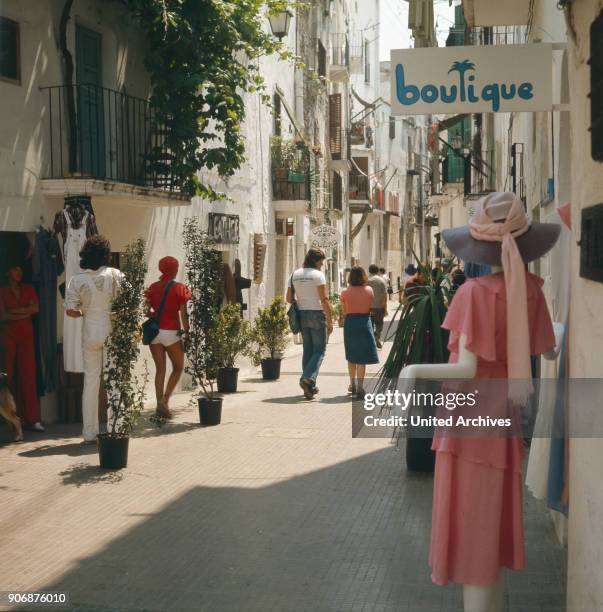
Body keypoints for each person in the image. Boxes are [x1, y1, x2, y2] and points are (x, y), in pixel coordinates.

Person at [65, 235, 123, 443]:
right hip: (111, 329)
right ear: (105, 254)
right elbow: (129, 302)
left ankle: (89, 433)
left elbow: (71, 311)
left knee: (91, 381)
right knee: (113, 379)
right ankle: (116, 426)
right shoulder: (116, 275)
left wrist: (85, 311)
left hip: (90, 330)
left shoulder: (77, 280)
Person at [145, 256, 191, 419]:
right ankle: (164, 401)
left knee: (160, 370)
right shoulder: (180, 288)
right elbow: (184, 315)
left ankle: (159, 406)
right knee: (178, 368)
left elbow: (146, 311)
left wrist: (155, 313)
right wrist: (187, 332)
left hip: (155, 333)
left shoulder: (152, 287)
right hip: (171, 332)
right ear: (175, 269)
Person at [0, 265, 44, 432]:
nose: (18, 272)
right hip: (8, 335)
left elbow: (35, 308)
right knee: (8, 376)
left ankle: (33, 419)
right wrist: (25, 312)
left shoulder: (28, 288)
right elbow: (2, 315)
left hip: (26, 335)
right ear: (7, 272)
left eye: (20, 269)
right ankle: (11, 418)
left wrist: (15, 311)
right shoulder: (2, 291)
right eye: (14, 269)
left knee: (28, 375)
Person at [286, 248, 333, 399]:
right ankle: (307, 378)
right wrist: (330, 320)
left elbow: (288, 298)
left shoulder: (294, 274)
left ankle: (309, 386)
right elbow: (324, 299)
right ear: (315, 261)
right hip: (317, 314)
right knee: (319, 350)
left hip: (302, 315)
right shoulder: (318, 275)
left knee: (308, 349)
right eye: (321, 261)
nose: (322, 265)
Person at [340, 267, 379, 398]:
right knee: (362, 357)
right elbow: (370, 306)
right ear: (363, 276)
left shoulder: (345, 292)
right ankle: (361, 386)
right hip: (364, 322)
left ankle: (352, 385)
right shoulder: (369, 290)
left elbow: (344, 312)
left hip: (350, 323)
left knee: (351, 356)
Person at [366, 264, 388, 348]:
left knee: (370, 324)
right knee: (379, 324)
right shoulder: (381, 281)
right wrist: (385, 308)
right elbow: (385, 296)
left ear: (369, 271)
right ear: (377, 271)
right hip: (379, 307)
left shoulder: (366, 280)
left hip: (368, 307)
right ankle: (377, 336)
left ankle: (371, 340)